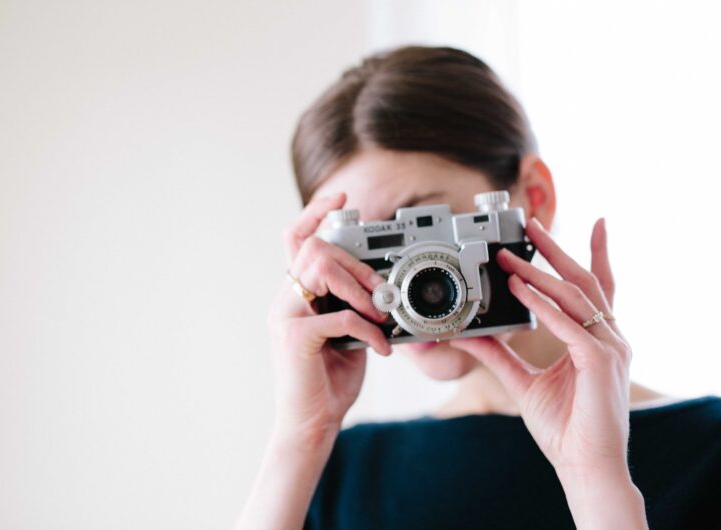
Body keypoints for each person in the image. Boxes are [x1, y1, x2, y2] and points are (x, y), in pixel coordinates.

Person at [233, 46, 721, 529]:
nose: (402, 281)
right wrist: (299, 437)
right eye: (365, 248)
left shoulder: (707, 450)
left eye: (423, 228)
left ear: (533, 197)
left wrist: (598, 481)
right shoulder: (341, 472)